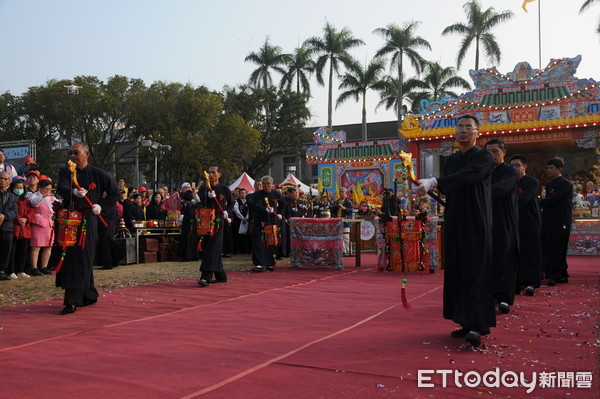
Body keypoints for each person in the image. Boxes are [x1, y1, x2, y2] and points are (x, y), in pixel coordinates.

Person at [416, 114, 494, 347]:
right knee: (457, 267)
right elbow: (450, 184)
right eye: (459, 127)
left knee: (475, 268)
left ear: (477, 133)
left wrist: (437, 182)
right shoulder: (451, 160)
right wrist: (429, 187)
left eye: (468, 127)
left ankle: (478, 325)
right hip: (455, 217)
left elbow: (470, 176)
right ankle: (463, 320)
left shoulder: (484, 156)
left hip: (476, 218)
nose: (463, 131)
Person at [56, 142, 119, 315]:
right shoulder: (65, 172)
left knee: (84, 254)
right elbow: (61, 187)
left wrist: (101, 205)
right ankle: (88, 293)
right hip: (69, 218)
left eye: (76, 153)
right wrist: (73, 192)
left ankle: (72, 300)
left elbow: (115, 192)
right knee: (69, 255)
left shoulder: (98, 174)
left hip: (87, 220)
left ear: (87, 154)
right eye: (70, 153)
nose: (72, 156)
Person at [485, 138, 519, 314]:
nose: (492, 155)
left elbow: (499, 190)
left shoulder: (510, 172)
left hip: (505, 220)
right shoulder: (485, 171)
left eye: (495, 151)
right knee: (488, 258)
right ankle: (491, 294)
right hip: (486, 219)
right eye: (488, 152)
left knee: (505, 257)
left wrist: (480, 190)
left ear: (504, 152)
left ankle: (505, 297)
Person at [510, 154, 542, 296]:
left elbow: (524, 199)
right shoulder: (509, 182)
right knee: (515, 253)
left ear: (525, 166)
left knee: (530, 252)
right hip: (512, 222)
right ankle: (517, 282)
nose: (514, 168)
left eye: (517, 165)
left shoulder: (532, 182)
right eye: (512, 165)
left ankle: (531, 282)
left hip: (530, 221)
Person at [197, 165, 233, 287]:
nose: (211, 175)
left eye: (213, 172)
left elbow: (232, 203)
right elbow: (200, 200)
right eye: (209, 172)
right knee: (210, 247)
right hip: (206, 222)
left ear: (219, 175)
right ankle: (220, 275)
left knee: (212, 247)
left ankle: (205, 277)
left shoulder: (225, 189)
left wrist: (228, 212)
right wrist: (207, 196)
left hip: (218, 222)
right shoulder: (204, 188)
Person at [540, 157, 573, 286]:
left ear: (560, 169)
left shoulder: (566, 184)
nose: (548, 171)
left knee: (558, 246)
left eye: (551, 168)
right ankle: (559, 274)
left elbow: (554, 199)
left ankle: (555, 274)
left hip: (562, 220)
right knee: (549, 245)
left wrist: (535, 203)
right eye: (547, 168)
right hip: (549, 219)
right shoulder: (549, 184)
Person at [248, 176, 284, 272]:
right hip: (260, 222)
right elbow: (253, 206)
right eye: (264, 184)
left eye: (268, 184)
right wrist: (264, 209)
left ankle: (270, 263)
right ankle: (259, 264)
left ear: (272, 184)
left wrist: (280, 213)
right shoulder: (257, 195)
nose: (266, 186)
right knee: (259, 243)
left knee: (272, 243)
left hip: (272, 223)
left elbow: (283, 205)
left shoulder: (277, 194)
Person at [28, 179, 58, 276]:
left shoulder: (51, 198)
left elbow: (58, 204)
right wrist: (43, 195)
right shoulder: (34, 196)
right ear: (40, 188)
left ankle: (44, 266)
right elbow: (34, 203)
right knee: (36, 246)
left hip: (50, 224)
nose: (48, 191)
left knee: (48, 246)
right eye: (46, 188)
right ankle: (34, 267)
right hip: (38, 224)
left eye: (50, 189)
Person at [8, 179, 33, 278]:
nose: (19, 190)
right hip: (14, 228)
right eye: (17, 188)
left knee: (23, 251)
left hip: (25, 229)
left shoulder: (26, 201)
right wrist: (19, 219)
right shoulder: (10, 199)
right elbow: (11, 211)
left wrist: (26, 219)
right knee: (12, 251)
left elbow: (31, 212)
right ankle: (11, 271)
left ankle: (21, 270)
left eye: (21, 188)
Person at [0, 171, 18, 281]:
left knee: (6, 249)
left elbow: (14, 211)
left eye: (5, 179)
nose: (2, 181)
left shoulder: (12, 196)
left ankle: (2, 270)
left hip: (7, 227)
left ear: (9, 181)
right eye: (1, 178)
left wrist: (4, 216)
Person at [330, 187, 353, 254]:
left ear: (345, 193)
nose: (341, 193)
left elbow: (351, 211)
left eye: (342, 192)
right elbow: (332, 210)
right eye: (340, 192)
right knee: (340, 237)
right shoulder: (337, 201)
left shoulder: (348, 202)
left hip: (346, 222)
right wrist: (336, 206)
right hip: (338, 221)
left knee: (346, 237)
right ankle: (343, 250)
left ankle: (348, 250)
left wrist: (344, 208)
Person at [232, 187, 250, 254]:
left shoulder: (248, 202)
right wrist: (242, 218)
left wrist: (247, 217)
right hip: (239, 220)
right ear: (239, 194)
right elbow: (236, 210)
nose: (243, 194)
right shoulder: (236, 201)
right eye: (241, 193)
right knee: (237, 235)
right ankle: (237, 250)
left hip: (246, 220)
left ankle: (245, 249)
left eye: (244, 193)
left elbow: (249, 210)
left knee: (245, 235)